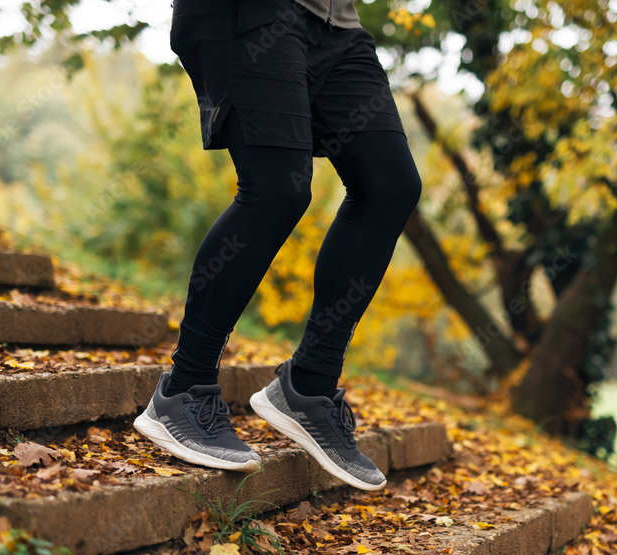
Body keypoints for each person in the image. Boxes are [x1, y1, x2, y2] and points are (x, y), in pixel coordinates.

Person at [133, 0, 421, 491]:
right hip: (249, 12)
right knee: (277, 189)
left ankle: (309, 385)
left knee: (391, 186)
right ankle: (183, 390)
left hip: (336, 23)